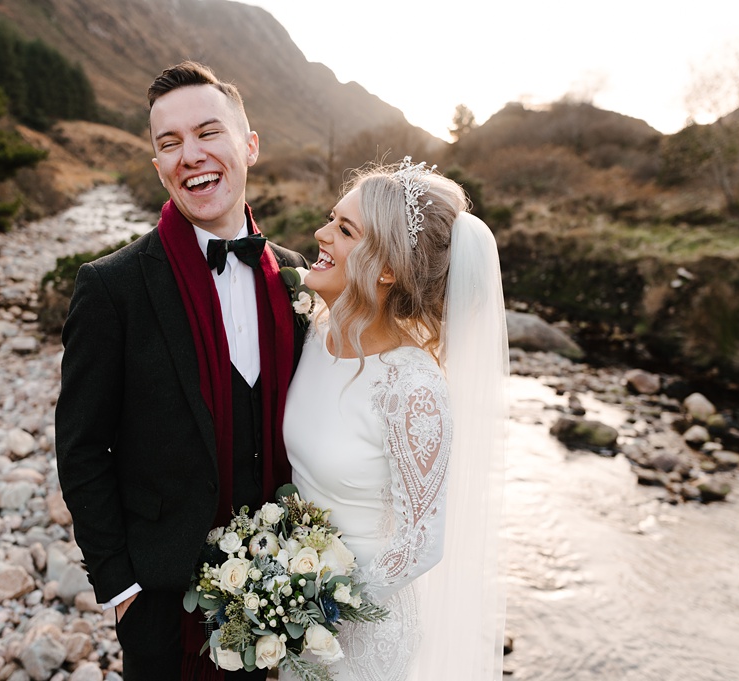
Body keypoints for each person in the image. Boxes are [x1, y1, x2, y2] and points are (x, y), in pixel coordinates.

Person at [55, 61, 307, 681]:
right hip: (164, 612)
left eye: (207, 133)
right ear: (158, 165)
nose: (190, 155)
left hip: (293, 597)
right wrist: (121, 590)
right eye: (169, 143)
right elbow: (82, 447)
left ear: (249, 145)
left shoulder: (301, 278)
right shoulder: (110, 288)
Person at [281, 159, 508, 680]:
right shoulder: (314, 333)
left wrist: (317, 600)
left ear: (385, 269)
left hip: (362, 633)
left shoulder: (413, 386)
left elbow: (422, 541)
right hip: (295, 615)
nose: (320, 234)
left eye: (344, 230)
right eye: (330, 219)